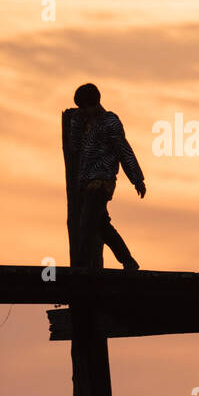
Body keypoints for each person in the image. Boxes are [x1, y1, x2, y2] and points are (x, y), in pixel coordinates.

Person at [71, 83, 145, 271]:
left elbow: (123, 150)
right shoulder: (86, 125)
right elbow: (73, 147)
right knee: (101, 226)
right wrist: (76, 123)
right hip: (87, 183)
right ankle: (128, 261)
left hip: (102, 182)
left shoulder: (110, 122)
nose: (83, 111)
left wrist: (137, 178)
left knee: (87, 224)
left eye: (84, 107)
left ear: (93, 103)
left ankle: (80, 266)